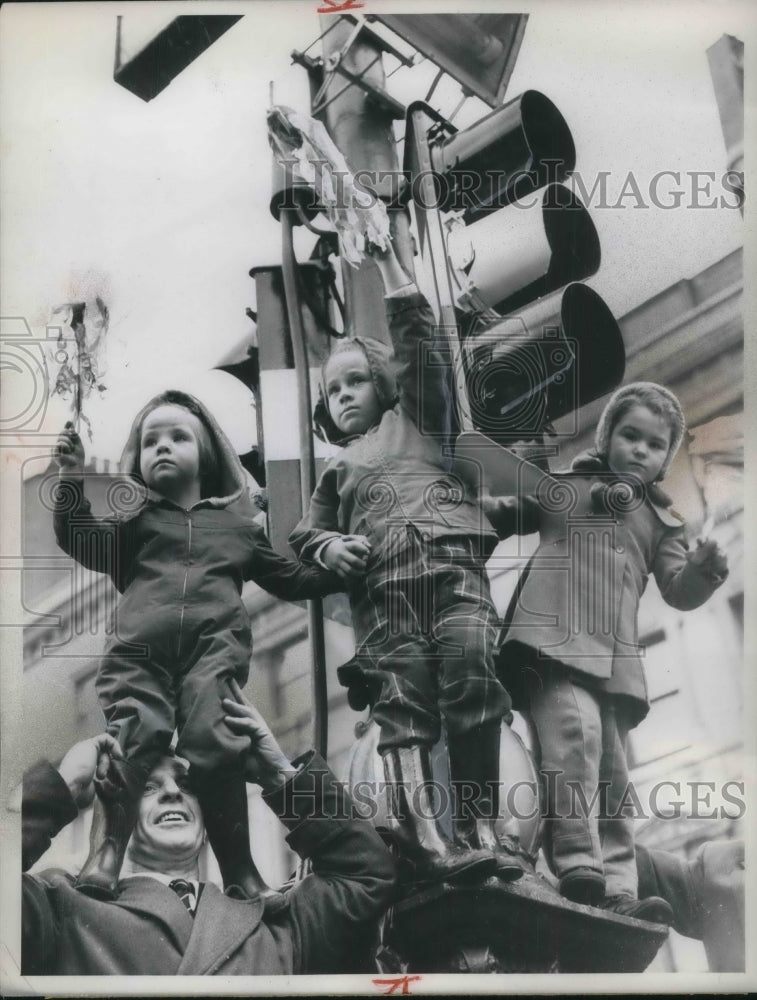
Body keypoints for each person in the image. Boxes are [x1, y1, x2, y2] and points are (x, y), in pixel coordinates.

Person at [290, 242, 526, 887]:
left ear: (387, 385)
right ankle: (427, 836)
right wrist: (329, 546)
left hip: (455, 571)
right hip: (385, 599)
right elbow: (307, 535)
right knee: (403, 707)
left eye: (355, 380)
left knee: (475, 675)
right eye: (332, 389)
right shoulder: (337, 470)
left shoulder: (422, 418)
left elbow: (423, 344)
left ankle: (479, 824)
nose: (343, 395)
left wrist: (392, 267)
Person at [52, 390, 342, 907]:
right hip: (138, 651)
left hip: (214, 652)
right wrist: (71, 481)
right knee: (136, 733)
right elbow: (80, 538)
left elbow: (292, 578)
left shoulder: (239, 531)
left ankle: (239, 868)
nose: (162, 447)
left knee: (217, 736)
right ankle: (106, 852)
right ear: (137, 460)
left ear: (206, 454)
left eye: (177, 437)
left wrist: (339, 564)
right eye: (150, 441)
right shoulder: (134, 525)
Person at [484, 382, 729, 922]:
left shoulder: (663, 523)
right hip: (551, 646)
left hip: (615, 662)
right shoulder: (567, 488)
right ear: (608, 436)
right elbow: (502, 513)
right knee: (576, 739)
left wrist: (703, 568)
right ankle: (576, 862)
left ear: (667, 458)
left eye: (655, 444)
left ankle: (622, 885)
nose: (641, 450)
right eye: (630, 436)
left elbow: (677, 588)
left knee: (615, 774)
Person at [21, 683, 397, 975]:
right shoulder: (62, 907)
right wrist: (63, 786)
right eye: (148, 787)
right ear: (116, 816)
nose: (172, 792)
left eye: (188, 786)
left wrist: (278, 773)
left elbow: (366, 876)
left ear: (210, 821)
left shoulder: (277, 923)